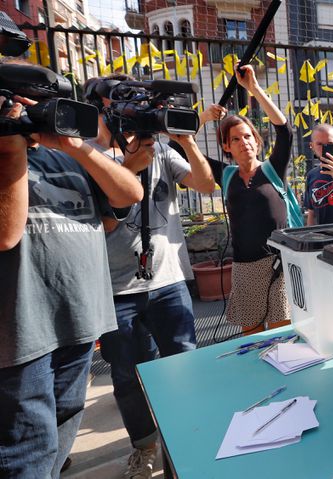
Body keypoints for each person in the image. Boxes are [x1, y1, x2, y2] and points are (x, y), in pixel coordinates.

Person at [0, 83, 143, 478]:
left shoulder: (68, 156)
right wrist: (12, 142)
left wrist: (74, 146)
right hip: (22, 335)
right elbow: (6, 234)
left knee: (59, 439)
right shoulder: (4, 154)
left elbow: (129, 192)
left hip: (77, 324)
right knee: (25, 453)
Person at [83, 73, 216, 478]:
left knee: (184, 366)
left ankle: (187, 444)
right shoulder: (86, 153)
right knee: (127, 376)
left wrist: (187, 139)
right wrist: (127, 166)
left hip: (168, 283)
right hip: (115, 289)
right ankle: (145, 447)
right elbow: (99, 224)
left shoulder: (162, 152)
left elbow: (207, 185)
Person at [214, 65, 293, 330]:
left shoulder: (272, 169)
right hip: (245, 268)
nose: (244, 142)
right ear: (226, 146)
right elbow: (179, 146)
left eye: (248, 136)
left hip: (279, 264)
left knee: (283, 333)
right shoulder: (225, 175)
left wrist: (254, 89)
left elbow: (285, 131)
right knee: (252, 336)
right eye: (235, 139)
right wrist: (203, 117)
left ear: (257, 142)